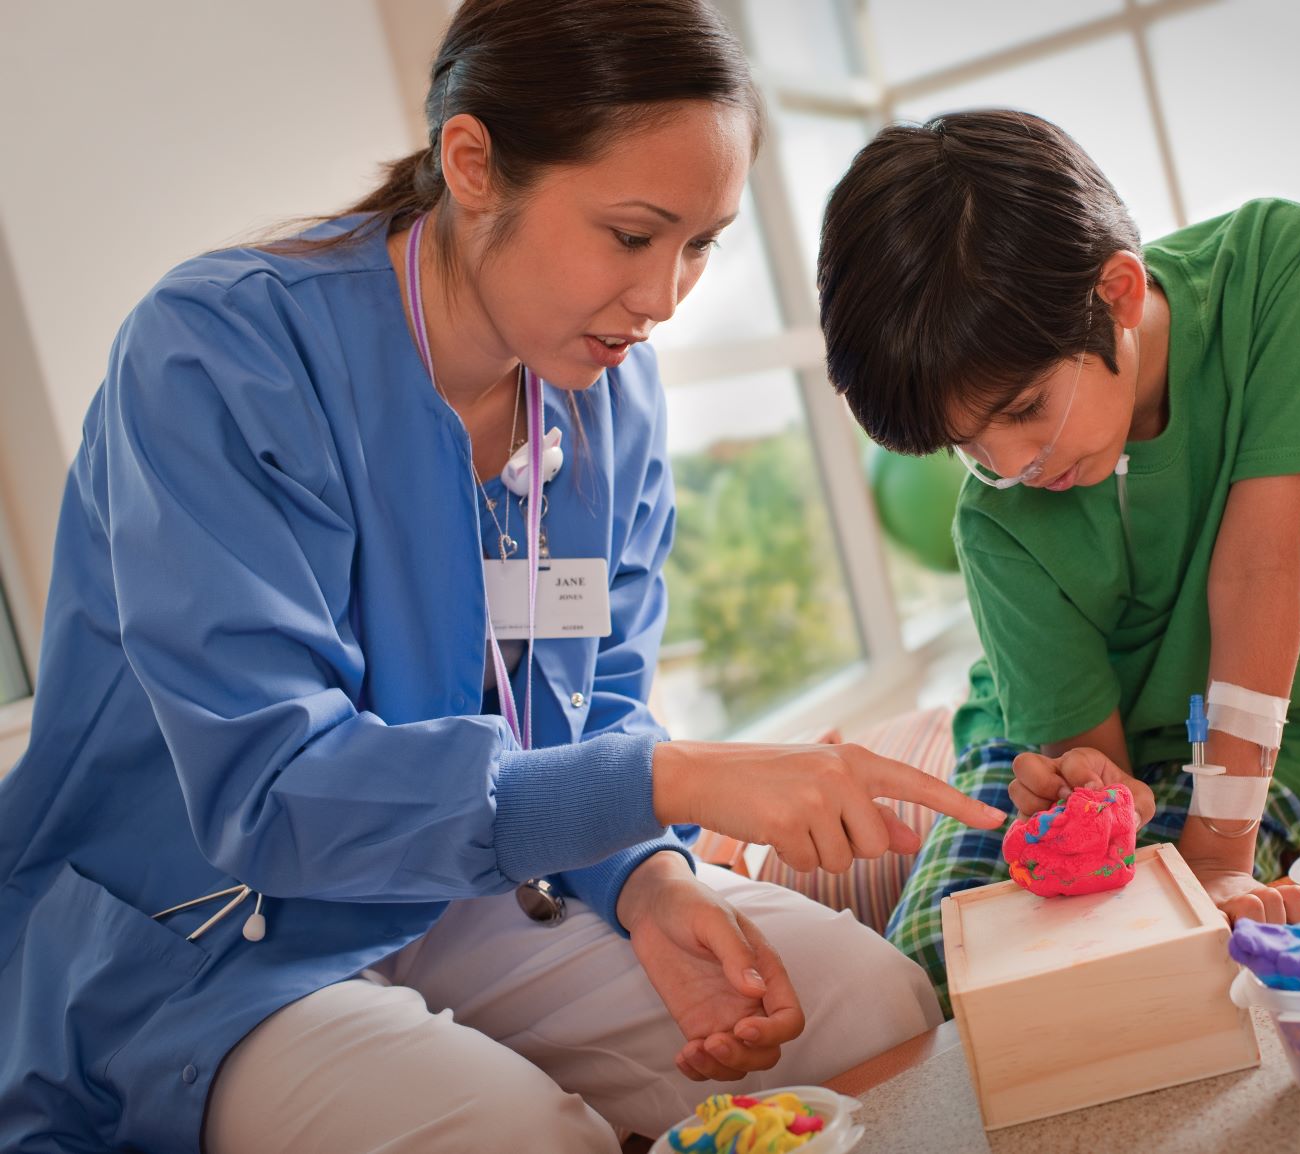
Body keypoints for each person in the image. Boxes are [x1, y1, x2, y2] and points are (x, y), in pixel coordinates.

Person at [0, 3, 1007, 1151]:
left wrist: (646, 879)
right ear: (472, 163)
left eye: (700, 242)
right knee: (518, 1134)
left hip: (460, 881)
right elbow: (269, 788)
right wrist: (672, 782)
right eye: (633, 234)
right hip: (216, 926)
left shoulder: (607, 394)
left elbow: (598, 692)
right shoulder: (214, 360)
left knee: (866, 1002)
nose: (667, 295)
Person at [815, 109, 1300, 1012]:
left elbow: (1256, 573)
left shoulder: (1279, 266)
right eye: (966, 445)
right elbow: (1093, 763)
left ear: (1118, 293)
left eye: (1021, 410)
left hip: (1273, 743)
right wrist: (1092, 799)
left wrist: (1215, 857)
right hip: (1062, 747)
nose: (1013, 468)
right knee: (947, 977)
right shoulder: (996, 522)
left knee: (1184, 976)